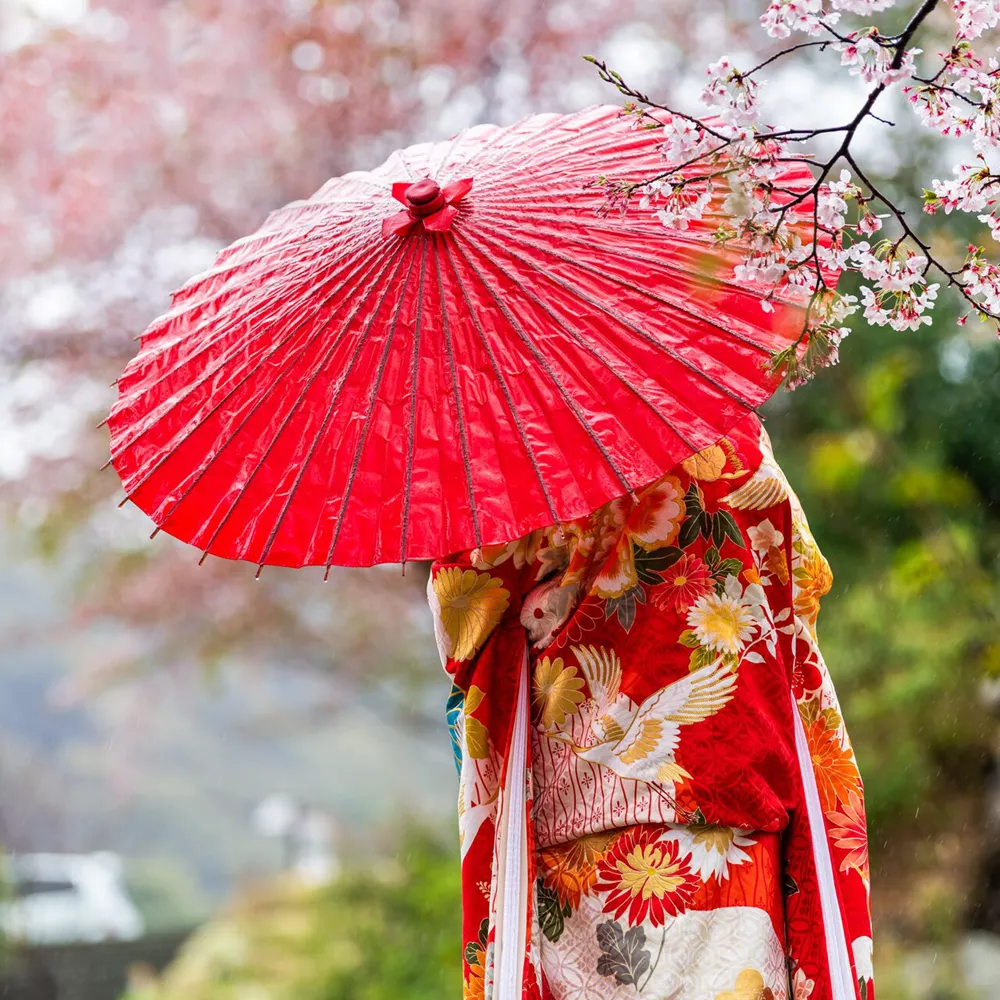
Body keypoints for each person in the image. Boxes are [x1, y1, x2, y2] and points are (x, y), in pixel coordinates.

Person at [428, 411, 872, 1000]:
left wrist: (566, 590)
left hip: (585, 803)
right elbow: (801, 577)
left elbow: (464, 610)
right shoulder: (727, 431)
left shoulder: (523, 446)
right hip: (733, 778)